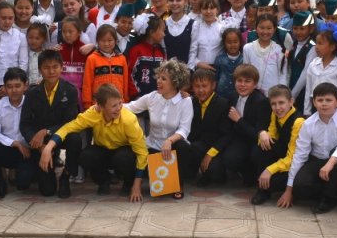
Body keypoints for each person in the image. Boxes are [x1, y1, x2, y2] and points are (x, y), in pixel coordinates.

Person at [41, 84, 148, 202]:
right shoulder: (93, 113)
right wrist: (49, 147)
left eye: (120, 103)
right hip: (102, 150)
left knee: (124, 157)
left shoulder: (129, 119)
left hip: (123, 153)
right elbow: (69, 127)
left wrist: (137, 184)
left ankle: (128, 183)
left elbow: (142, 152)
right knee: (85, 157)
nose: (119, 108)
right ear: (100, 106)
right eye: (113, 106)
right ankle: (104, 181)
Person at [280, 83, 337, 213]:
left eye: (329, 100)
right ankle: (331, 191)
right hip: (317, 160)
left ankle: (328, 198)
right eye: (320, 100)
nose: (324, 104)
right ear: (314, 103)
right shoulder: (308, 124)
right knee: (299, 187)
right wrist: (289, 190)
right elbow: (300, 154)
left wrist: (330, 163)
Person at [124, 59, 193, 199]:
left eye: (164, 79)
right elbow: (130, 107)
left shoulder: (186, 101)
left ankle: (178, 184)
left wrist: (169, 140)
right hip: (152, 147)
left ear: (175, 82)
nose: (158, 81)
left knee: (183, 147)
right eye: (158, 77)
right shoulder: (152, 97)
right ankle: (133, 183)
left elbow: (184, 130)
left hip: (173, 147)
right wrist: (109, 105)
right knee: (128, 154)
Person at [19, 50, 80, 198]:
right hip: (41, 142)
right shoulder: (32, 92)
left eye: (55, 67)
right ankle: (45, 171)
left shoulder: (70, 90)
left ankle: (66, 175)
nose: (51, 71)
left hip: (62, 135)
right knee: (47, 191)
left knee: (76, 138)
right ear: (40, 69)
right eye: (46, 67)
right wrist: (39, 145)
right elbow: (25, 124)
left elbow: (70, 121)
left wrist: (47, 131)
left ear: (61, 67)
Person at [0, 68, 36, 198]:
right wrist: (15, 143)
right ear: (4, 88)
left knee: (23, 184)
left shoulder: (32, 104)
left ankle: (23, 174)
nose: (14, 90)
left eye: (17, 86)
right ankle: (0, 183)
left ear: (25, 86)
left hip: (26, 152)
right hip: (7, 149)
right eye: (9, 87)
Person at [251, 85, 305, 206]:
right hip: (283, 154)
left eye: (281, 103)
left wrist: (270, 170)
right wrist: (263, 133)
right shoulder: (275, 114)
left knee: (272, 182)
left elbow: (293, 157)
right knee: (262, 147)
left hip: (297, 162)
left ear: (291, 102)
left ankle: (268, 186)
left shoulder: (298, 122)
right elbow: (272, 136)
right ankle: (262, 190)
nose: (277, 108)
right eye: (273, 104)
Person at [223, 65, 271, 184]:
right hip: (239, 138)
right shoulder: (233, 96)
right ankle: (242, 171)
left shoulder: (261, 102)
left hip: (255, 141)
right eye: (239, 81)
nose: (242, 84)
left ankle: (252, 174)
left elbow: (258, 134)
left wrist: (239, 120)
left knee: (256, 154)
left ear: (255, 84)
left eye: (247, 81)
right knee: (229, 158)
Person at [187, 69, 233, 186]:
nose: (201, 90)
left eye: (204, 86)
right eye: (197, 86)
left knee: (215, 174)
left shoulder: (223, 104)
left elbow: (227, 135)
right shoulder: (191, 102)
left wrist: (210, 154)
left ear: (213, 85)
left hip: (217, 148)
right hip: (199, 145)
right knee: (193, 148)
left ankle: (218, 171)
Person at [0, 2, 28, 100]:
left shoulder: (21, 37)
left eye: (10, 18)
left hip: (16, 85)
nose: (7, 21)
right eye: (3, 18)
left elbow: (23, 63)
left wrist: (14, 85)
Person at [302, 30, 337, 116]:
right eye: (316, 43)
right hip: (315, 107)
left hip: (333, 110)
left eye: (320, 43)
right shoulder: (313, 65)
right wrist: (307, 111)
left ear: (332, 47)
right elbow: (308, 90)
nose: (316, 47)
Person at [82, 24, 130, 107]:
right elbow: (87, 83)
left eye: (110, 40)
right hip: (98, 105)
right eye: (102, 40)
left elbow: (125, 82)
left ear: (115, 41)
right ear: (97, 41)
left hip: (118, 104)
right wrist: (87, 103)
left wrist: (125, 100)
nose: (106, 43)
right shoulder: (92, 59)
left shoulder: (122, 59)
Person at [243, 14, 288, 96]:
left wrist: (281, 94)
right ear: (256, 28)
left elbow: (282, 74)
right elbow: (246, 72)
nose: (265, 32)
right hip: (253, 93)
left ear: (274, 29)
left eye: (269, 28)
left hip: (273, 94)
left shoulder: (279, 50)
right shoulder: (248, 48)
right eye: (262, 28)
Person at [126, 16, 166, 99]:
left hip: (158, 98)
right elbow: (130, 74)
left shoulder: (160, 52)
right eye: (162, 30)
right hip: (139, 99)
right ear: (151, 32)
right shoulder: (136, 51)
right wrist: (136, 95)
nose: (164, 34)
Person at [287, 10, 317, 107]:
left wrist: (293, 95)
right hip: (289, 91)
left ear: (311, 29)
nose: (298, 32)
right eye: (295, 28)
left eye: (302, 28)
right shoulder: (293, 44)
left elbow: (305, 74)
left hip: (303, 93)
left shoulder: (312, 48)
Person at [188, 0, 224, 71]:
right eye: (205, 8)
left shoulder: (222, 28)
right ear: (200, 10)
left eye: (211, 8)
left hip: (218, 68)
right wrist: (197, 63)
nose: (208, 11)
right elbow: (192, 50)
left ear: (217, 10)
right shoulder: (196, 26)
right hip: (200, 68)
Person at [58, 17, 90, 101]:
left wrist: (93, 46)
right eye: (64, 31)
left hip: (82, 93)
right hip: (62, 92)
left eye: (70, 31)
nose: (67, 35)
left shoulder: (86, 50)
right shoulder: (59, 50)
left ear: (79, 32)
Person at [213, 28, 243, 102]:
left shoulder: (244, 59)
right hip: (221, 94)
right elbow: (215, 78)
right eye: (229, 42)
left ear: (240, 42)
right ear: (224, 43)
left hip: (239, 95)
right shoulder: (219, 59)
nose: (232, 45)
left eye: (235, 42)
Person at [164, 0, 193, 64]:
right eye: (171, 0)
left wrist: (189, 69)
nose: (174, 3)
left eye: (178, 0)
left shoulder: (193, 24)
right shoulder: (163, 24)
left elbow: (193, 51)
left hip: (187, 69)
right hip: (166, 69)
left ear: (185, 2)